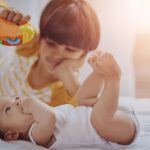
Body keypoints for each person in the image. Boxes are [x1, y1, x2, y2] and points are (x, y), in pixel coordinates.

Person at [0, 52, 139, 149]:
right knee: (99, 120)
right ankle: (113, 78)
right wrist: (30, 101)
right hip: (116, 131)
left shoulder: (36, 119)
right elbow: (49, 117)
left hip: (105, 112)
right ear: (12, 134)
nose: (16, 101)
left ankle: (98, 74)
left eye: (15, 98)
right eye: (8, 109)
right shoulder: (35, 136)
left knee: (81, 99)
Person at [0, 0, 100, 106]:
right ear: (41, 38)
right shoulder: (32, 44)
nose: (56, 55)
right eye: (51, 44)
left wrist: (66, 73)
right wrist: (3, 13)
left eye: (70, 50)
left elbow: (90, 112)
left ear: (83, 55)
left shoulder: (66, 89)